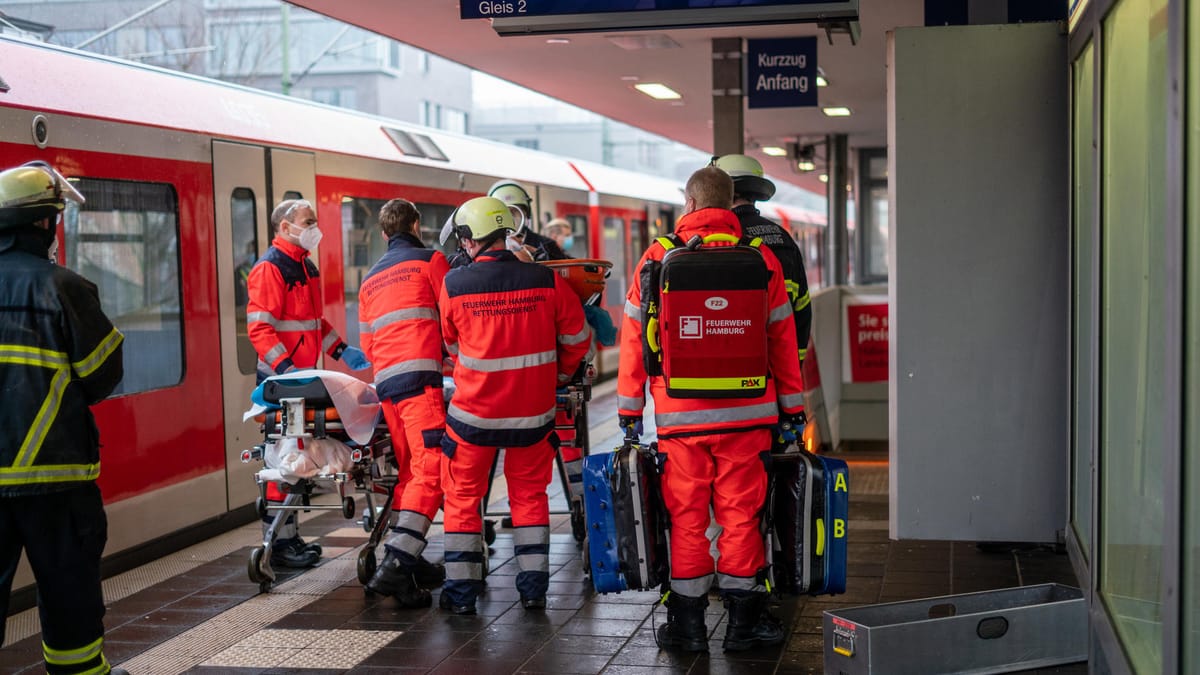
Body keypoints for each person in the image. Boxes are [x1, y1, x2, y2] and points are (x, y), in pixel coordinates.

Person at [616, 166, 806, 653]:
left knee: (687, 519)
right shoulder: (762, 257)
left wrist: (630, 411)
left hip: (681, 420)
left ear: (690, 203)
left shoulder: (658, 256)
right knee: (742, 518)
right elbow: (782, 338)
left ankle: (688, 627)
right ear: (733, 203)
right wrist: (793, 411)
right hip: (748, 416)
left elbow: (635, 339)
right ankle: (743, 626)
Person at [0, 161, 129, 675]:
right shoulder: (66, 289)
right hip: (56, 481)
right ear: (44, 224)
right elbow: (102, 377)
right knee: (69, 600)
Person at [437, 196, 589, 615]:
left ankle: (462, 596)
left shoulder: (454, 285)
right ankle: (534, 591)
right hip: (533, 417)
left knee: (464, 497)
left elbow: (451, 345)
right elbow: (577, 340)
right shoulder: (546, 280)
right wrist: (557, 377)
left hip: (472, 419)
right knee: (529, 497)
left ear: (469, 239)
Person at [246, 197, 371, 569]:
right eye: (308, 221)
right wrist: (286, 371)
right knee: (284, 461)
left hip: (303, 382)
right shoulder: (270, 269)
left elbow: (314, 324)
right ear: (284, 228)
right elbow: (260, 328)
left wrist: (343, 350)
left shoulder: (305, 267)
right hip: (283, 385)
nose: (315, 227)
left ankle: (290, 538)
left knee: (299, 458)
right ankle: (280, 544)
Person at [357, 198, 450, 607]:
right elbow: (451, 318)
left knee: (411, 472)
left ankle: (410, 565)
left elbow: (367, 343)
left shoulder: (369, 280)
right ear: (416, 224)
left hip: (387, 388)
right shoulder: (431, 261)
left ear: (383, 234)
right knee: (432, 469)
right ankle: (396, 564)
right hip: (420, 384)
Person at [713, 154, 812, 365]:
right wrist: (793, 364)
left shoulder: (719, 236)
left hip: (731, 362)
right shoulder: (783, 237)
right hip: (776, 366)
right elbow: (802, 310)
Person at [487, 179, 568, 261]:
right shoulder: (488, 247)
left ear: (526, 212)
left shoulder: (546, 245)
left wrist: (540, 257)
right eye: (504, 212)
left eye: (515, 211)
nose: (510, 217)